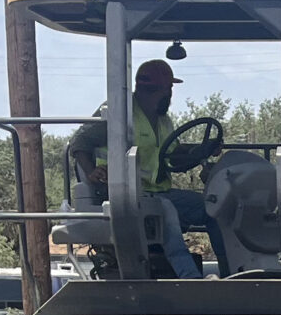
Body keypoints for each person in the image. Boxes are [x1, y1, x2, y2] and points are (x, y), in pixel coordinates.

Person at [70, 59, 224, 277]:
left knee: (214, 208)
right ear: (154, 89)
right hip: (124, 194)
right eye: (168, 89)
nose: (170, 94)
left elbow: (172, 154)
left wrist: (203, 149)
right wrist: (91, 171)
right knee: (166, 211)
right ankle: (191, 279)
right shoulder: (119, 112)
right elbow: (79, 143)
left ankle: (230, 273)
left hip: (159, 192)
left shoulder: (163, 120)